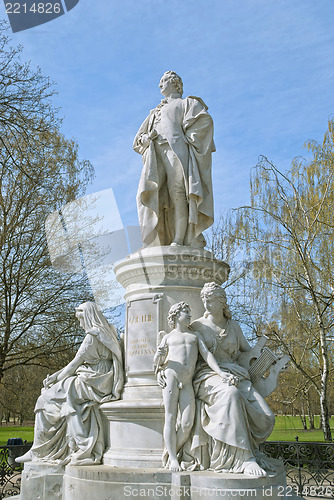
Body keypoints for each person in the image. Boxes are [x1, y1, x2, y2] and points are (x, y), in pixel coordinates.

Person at [180, 283, 275, 476]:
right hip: (207, 375)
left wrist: (270, 362)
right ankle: (244, 459)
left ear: (222, 301)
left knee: (267, 417)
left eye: (210, 299)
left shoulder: (234, 326)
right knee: (230, 395)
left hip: (236, 374)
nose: (206, 303)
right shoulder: (197, 326)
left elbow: (248, 353)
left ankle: (252, 452)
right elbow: (184, 352)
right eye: (204, 299)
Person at [17, 302, 124, 466]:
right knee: (65, 397)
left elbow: (73, 365)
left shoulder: (91, 337)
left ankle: (39, 450)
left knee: (45, 398)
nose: (80, 324)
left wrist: (54, 380)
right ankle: (40, 449)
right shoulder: (107, 332)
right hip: (102, 379)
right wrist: (54, 377)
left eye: (80, 319)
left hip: (93, 380)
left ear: (87, 318)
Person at [134, 71, 215, 248]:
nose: (159, 84)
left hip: (176, 152)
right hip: (156, 153)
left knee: (178, 194)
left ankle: (180, 239)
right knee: (150, 192)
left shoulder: (188, 103)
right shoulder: (155, 111)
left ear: (175, 83)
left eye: (163, 80)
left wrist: (189, 141)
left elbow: (204, 122)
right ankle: (154, 240)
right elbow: (139, 138)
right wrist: (145, 139)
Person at [154, 301, 237, 472]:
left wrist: (221, 373)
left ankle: (170, 454)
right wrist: (159, 359)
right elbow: (157, 362)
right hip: (171, 378)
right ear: (176, 315)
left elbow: (207, 356)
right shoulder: (168, 337)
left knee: (186, 423)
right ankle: (173, 459)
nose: (190, 315)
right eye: (186, 311)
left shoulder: (195, 336)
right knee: (170, 417)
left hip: (187, 382)